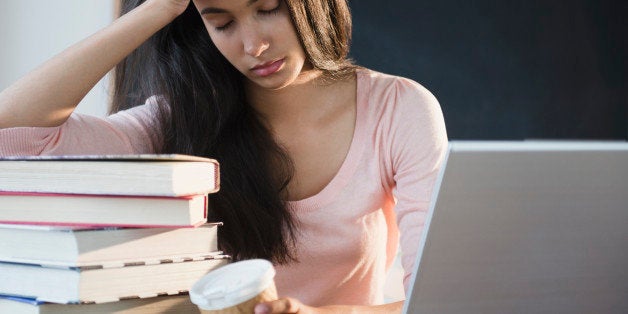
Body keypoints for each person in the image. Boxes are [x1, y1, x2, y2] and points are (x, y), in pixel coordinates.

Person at [0, 0, 447, 313]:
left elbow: (440, 299)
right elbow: (15, 139)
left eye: (267, 8)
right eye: (222, 22)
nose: (253, 45)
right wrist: (158, 9)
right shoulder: (175, 123)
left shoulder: (397, 109)